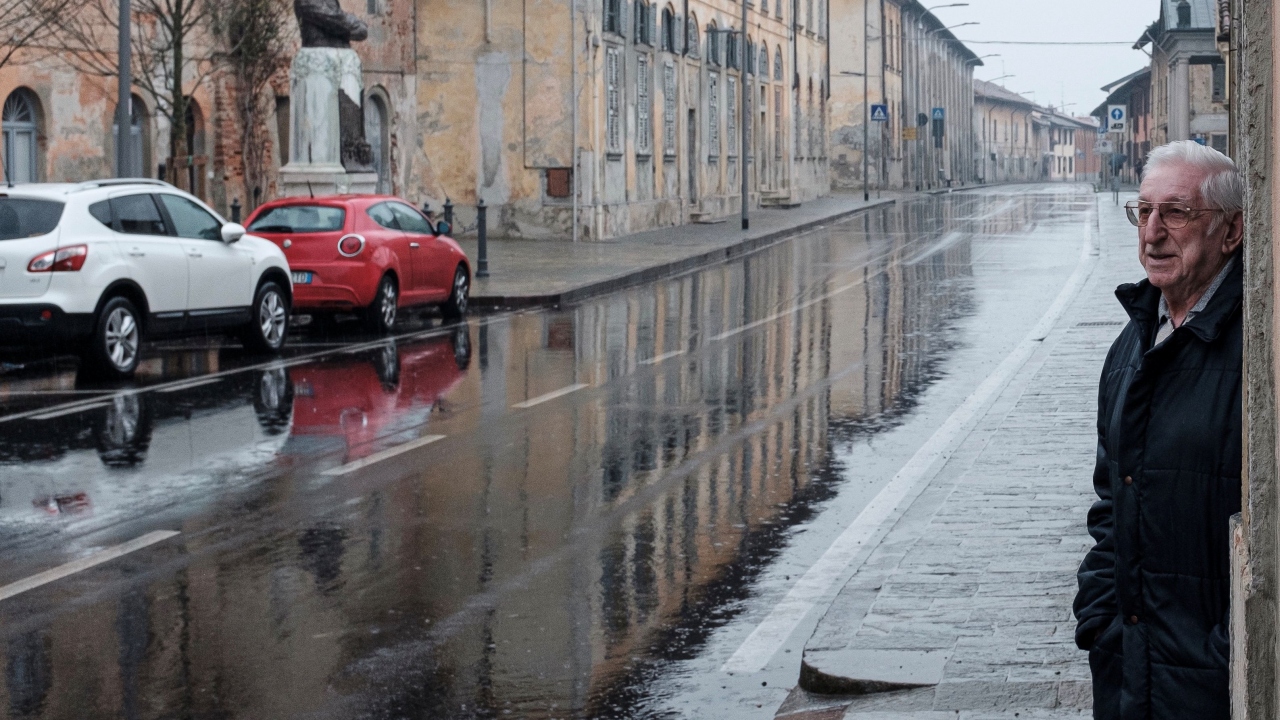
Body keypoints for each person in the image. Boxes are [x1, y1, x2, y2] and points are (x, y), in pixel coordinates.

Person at [1074, 140, 1244, 719]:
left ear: (1230, 231)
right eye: (1142, 211)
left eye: (1176, 212)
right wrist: (1100, 623)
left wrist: (1224, 656)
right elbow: (1109, 505)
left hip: (1215, 684)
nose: (1152, 233)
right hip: (1128, 677)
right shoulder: (1132, 343)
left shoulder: (1258, 351)